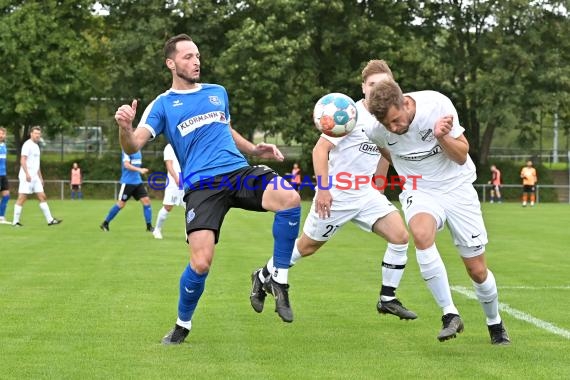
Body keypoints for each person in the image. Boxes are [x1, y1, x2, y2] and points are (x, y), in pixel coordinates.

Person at [114, 34, 301, 345]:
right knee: (201, 263)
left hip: (237, 172)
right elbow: (134, 143)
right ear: (171, 63)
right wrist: (124, 128)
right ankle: (182, 324)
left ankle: (276, 277)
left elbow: (224, 128)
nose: (196, 61)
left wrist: (254, 149)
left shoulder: (217, 92)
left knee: (290, 197)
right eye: (188, 56)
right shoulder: (162, 105)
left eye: (197, 55)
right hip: (203, 186)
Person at [250, 59, 416, 320]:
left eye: (382, 84)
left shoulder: (388, 116)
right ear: (363, 88)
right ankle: (262, 275)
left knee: (400, 236)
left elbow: (385, 154)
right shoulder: (347, 113)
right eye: (371, 85)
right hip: (337, 194)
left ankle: (388, 297)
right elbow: (320, 149)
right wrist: (324, 189)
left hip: (366, 194)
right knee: (306, 247)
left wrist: (380, 188)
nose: (375, 90)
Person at [366, 78, 510, 345]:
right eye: (388, 125)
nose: (394, 128)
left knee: (477, 271)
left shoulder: (436, 104)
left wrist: (441, 135)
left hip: (458, 189)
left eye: (396, 120)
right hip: (419, 191)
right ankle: (449, 314)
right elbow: (387, 153)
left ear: (404, 102)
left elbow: (461, 155)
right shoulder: (376, 130)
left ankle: (495, 323)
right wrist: (384, 182)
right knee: (420, 234)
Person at [12, 126, 62, 227]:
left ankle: (50, 220)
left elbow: (37, 164)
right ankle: (15, 222)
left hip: (35, 177)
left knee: (42, 196)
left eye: (39, 134)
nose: (37, 135)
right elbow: (23, 160)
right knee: (22, 198)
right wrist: (27, 174)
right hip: (27, 176)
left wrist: (40, 177)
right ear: (31, 134)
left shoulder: (36, 146)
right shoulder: (27, 145)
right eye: (35, 133)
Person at [99, 150, 153, 232]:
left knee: (146, 201)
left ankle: (149, 227)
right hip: (127, 182)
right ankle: (105, 223)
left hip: (138, 182)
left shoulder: (138, 151)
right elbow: (126, 165)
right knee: (121, 204)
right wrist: (140, 170)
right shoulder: (127, 150)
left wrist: (140, 171)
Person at [152, 143, 185, 240]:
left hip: (187, 179)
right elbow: (169, 165)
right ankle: (157, 229)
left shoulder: (186, 143)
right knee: (168, 207)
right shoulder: (170, 147)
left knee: (190, 207)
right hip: (173, 182)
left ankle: (189, 233)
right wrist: (176, 178)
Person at [0, 127, 11, 224]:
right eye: (0, 134)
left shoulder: (4, 146)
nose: (1, 136)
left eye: (3, 134)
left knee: (6, 195)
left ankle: (1, 217)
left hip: (3, 175)